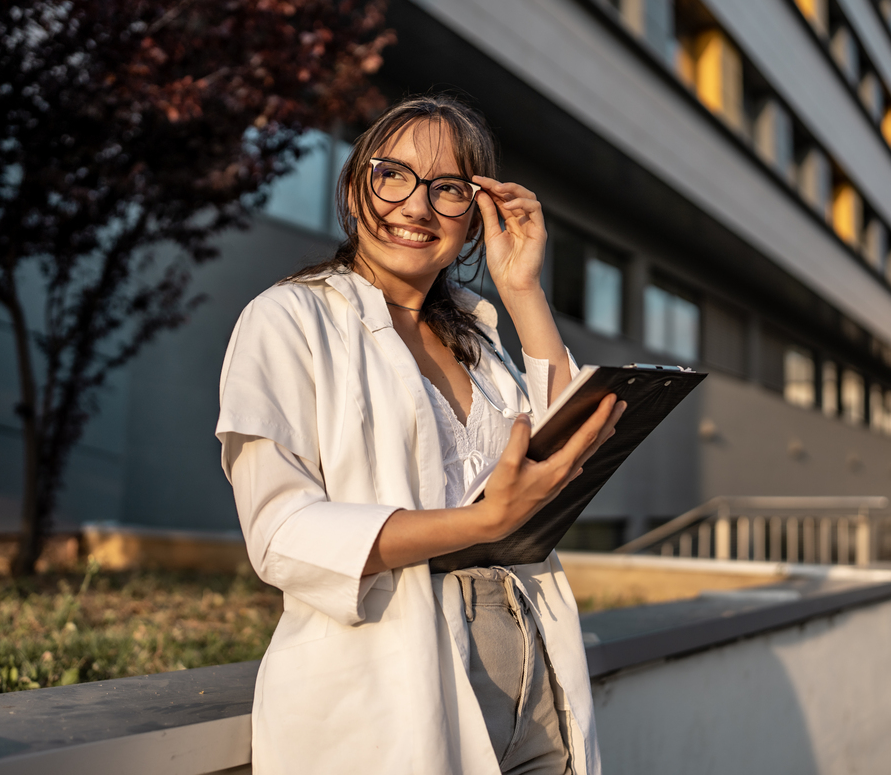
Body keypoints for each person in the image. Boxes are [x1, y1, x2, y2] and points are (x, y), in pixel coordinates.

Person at [216, 94, 624, 775]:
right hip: (388, 692)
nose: (416, 206)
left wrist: (522, 290)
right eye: (392, 175)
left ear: (474, 218)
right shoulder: (289, 319)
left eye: (449, 190)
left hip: (533, 682)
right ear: (354, 188)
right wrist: (482, 520)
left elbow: (562, 444)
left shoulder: (477, 340)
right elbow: (280, 535)